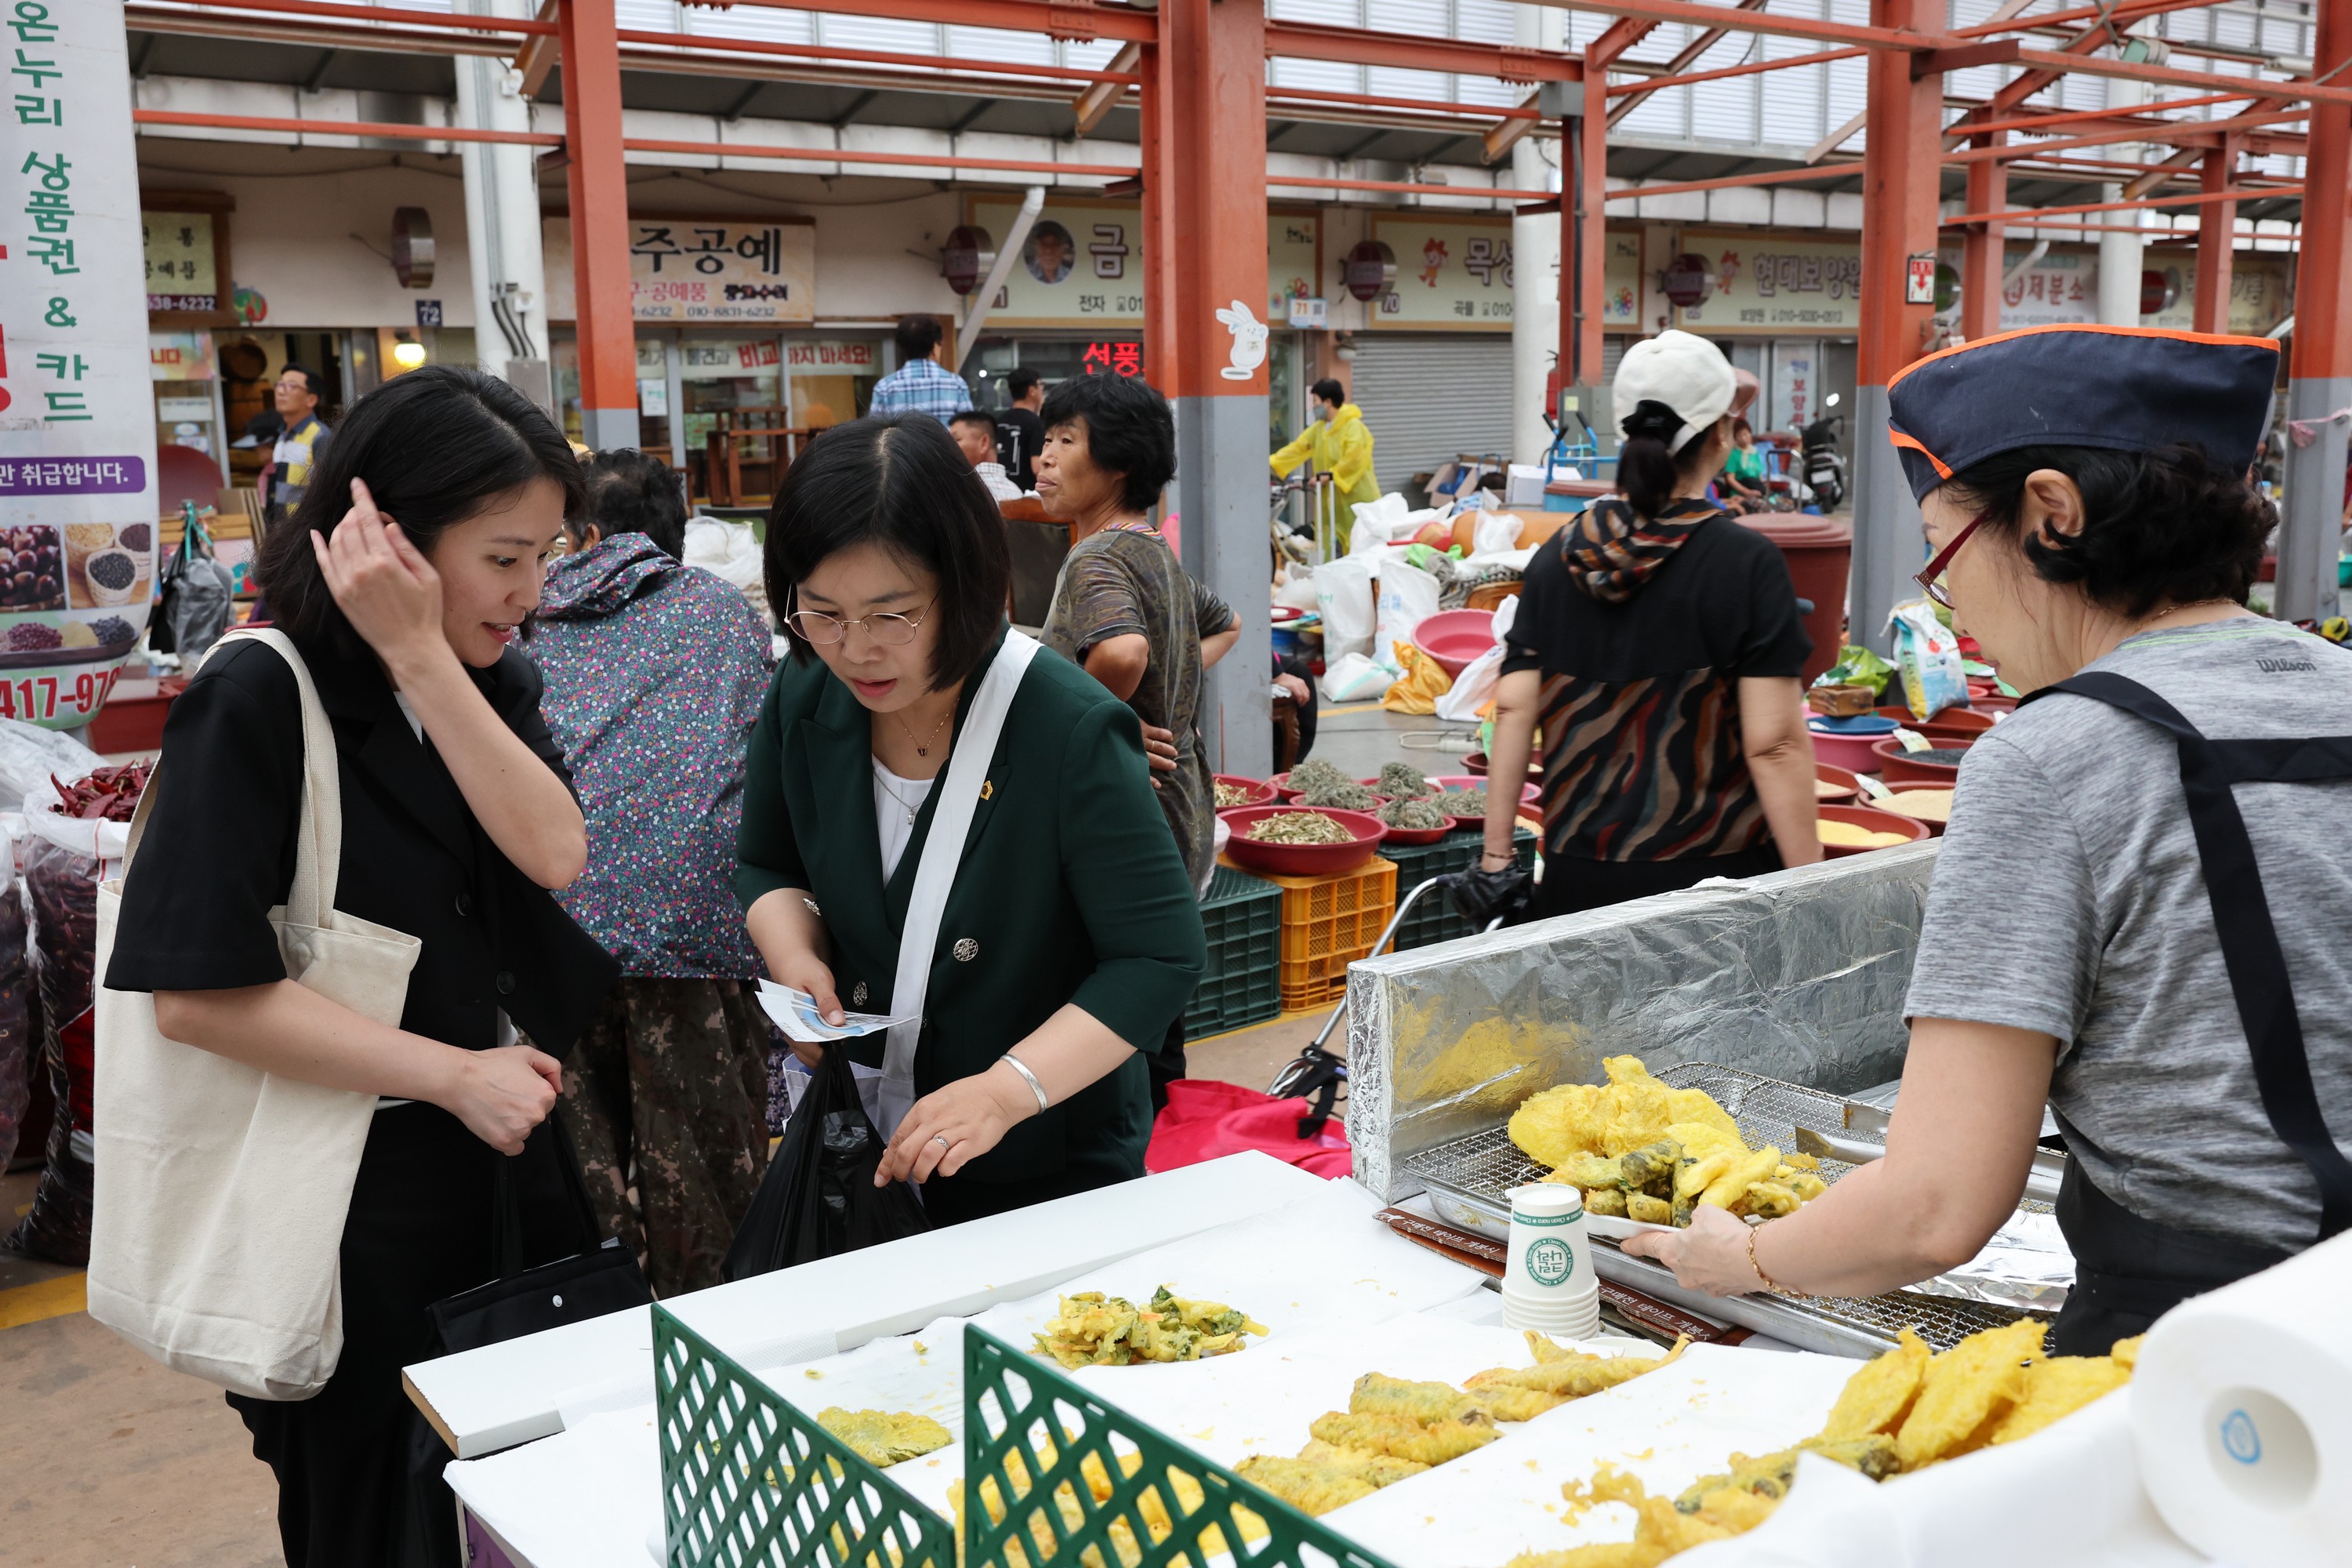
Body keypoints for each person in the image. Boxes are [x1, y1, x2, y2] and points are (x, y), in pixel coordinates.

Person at [1626, 326, 2352, 1356]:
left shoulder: (2056, 755)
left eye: (1944, 549)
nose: (1947, 601)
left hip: (2202, 1358)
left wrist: (1734, 1260)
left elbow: (1934, 1205)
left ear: (2052, 513)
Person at [103, 365, 618, 1565]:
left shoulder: (479, 675)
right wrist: (449, 1073)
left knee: (538, 1502)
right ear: (386, 533)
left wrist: (428, 661)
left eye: (544, 554)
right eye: (503, 557)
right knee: (377, 1519)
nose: (530, 594)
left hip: (501, 1166)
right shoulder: (257, 697)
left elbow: (554, 851)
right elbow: (198, 996)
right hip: (345, 1202)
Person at [735, 414, 1204, 1225]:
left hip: (1041, 1162)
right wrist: (793, 954)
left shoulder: (1067, 726)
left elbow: (1157, 956)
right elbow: (767, 862)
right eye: (821, 612)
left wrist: (1008, 1088)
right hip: (870, 1146)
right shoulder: (807, 691)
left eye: (893, 614)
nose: (856, 650)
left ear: (965, 585)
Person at [525, 449, 776, 1298]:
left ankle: (606, 1332)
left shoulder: (526, 615)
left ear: (579, 531)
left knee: (586, 1171)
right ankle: (716, 1345)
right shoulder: (721, 611)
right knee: (704, 1176)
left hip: (554, 933)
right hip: (692, 932)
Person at [1465, 330, 1820, 927]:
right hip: (1715, 892)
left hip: (1577, 886)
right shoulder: (1745, 564)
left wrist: (1497, 860)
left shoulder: (1556, 557)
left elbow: (1514, 710)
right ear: (1717, 436)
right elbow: (1775, 743)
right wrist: (1817, 888)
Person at [1034, 372, 1236, 1112]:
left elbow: (1120, 654)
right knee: (1157, 997)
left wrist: (1099, 720)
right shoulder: (1155, 552)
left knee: (1112, 1012)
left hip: (1127, 812)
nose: (1043, 458)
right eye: (1045, 440)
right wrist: (1164, 710)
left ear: (1116, 464)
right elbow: (1225, 623)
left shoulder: (1095, 558)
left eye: (1065, 442)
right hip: (1182, 809)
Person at [1269, 378, 1379, 553]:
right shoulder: (1320, 428)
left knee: (1360, 538)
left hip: (1356, 496)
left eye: (1316, 401)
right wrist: (1271, 464)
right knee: (1326, 534)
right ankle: (1329, 573)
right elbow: (1298, 448)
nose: (1314, 406)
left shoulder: (1353, 426)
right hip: (1330, 496)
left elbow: (1355, 458)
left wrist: (1330, 475)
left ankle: (1365, 577)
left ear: (1328, 402)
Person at [867, 314, 971, 424]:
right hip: (944, 442)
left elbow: (875, 432)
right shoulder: (956, 384)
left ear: (902, 347)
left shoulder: (884, 387)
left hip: (901, 442)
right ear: (935, 346)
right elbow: (968, 428)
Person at [264, 362, 331, 526]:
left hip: (304, 532)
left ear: (311, 399)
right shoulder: (283, 436)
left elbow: (328, 492)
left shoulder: (320, 437)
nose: (280, 391)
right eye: (280, 385)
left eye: (291, 386)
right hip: (282, 532)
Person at [950, 411, 1023, 503]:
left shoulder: (961, 490)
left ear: (984, 443)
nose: (948, 446)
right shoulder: (1016, 492)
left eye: (956, 440)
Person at [998, 366, 1046, 490]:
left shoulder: (999, 421)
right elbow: (1037, 467)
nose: (1042, 390)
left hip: (1000, 490)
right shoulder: (1035, 423)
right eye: (1040, 385)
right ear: (1032, 390)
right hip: (1025, 496)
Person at [1718, 417, 1767, 513]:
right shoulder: (1733, 454)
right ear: (1735, 438)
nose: (1745, 437)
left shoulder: (1754, 452)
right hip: (1739, 495)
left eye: (1746, 434)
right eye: (1740, 435)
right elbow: (1730, 479)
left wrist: (1763, 487)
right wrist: (1747, 492)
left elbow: (1759, 474)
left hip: (1756, 491)